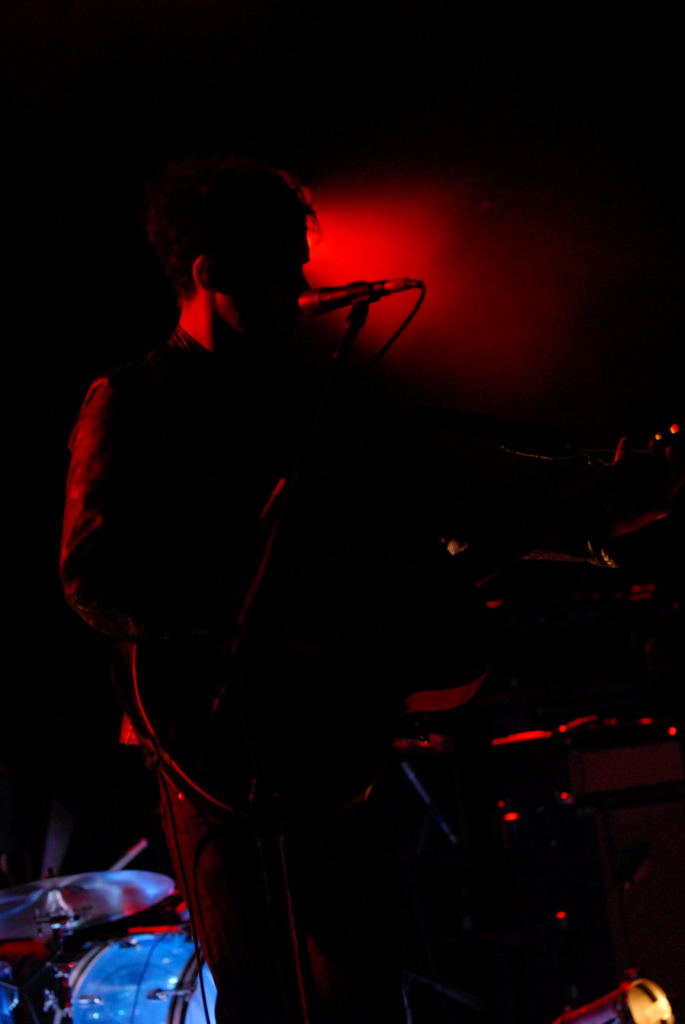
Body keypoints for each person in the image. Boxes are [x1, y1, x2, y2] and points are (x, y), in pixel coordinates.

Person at [59, 155, 683, 1024]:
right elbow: (94, 579)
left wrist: (597, 522)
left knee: (362, 988)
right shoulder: (139, 402)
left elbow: (447, 513)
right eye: (281, 265)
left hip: (332, 743)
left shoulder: (320, 403)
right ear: (209, 272)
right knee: (264, 996)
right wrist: (264, 620)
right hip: (216, 748)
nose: (301, 285)